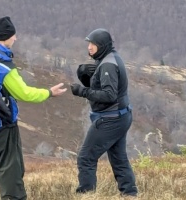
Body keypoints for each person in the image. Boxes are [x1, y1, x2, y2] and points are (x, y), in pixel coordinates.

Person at [0, 16, 67, 200]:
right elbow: (24, 93)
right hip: (0, 126)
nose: (15, 39)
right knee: (10, 171)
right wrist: (49, 92)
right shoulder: (3, 66)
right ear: (6, 37)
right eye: (13, 36)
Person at [70, 28, 138, 197]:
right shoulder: (109, 59)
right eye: (89, 44)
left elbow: (109, 95)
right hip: (121, 116)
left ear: (103, 46)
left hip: (111, 119)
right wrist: (88, 76)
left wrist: (82, 91)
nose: (90, 47)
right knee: (118, 158)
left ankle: (86, 194)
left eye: (94, 44)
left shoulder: (107, 64)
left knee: (86, 158)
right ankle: (129, 193)